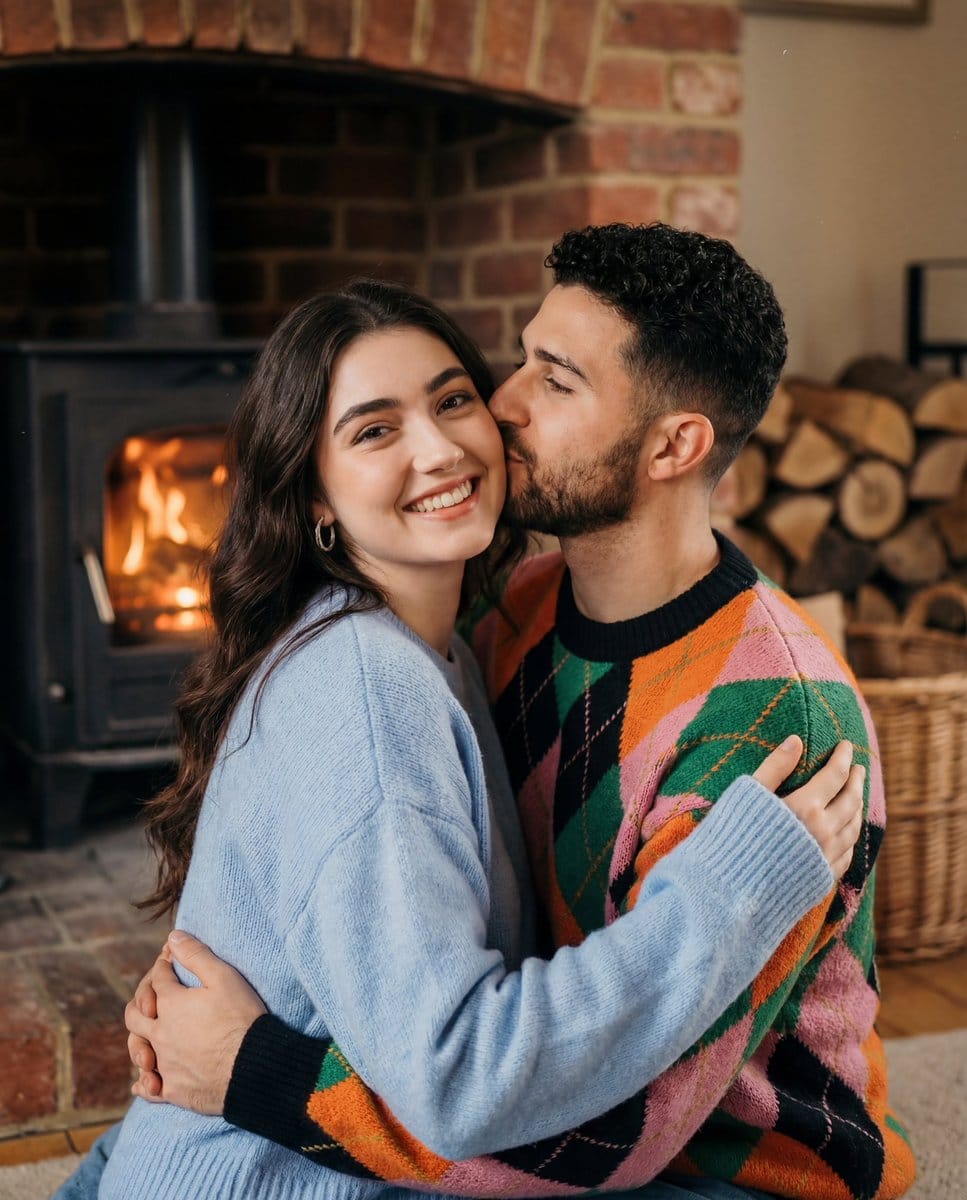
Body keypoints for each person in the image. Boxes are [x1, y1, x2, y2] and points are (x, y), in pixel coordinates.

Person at [121, 226, 916, 1200]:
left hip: (714, 1169)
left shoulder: (772, 734)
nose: (497, 406)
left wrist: (259, 1079)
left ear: (674, 444)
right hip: (533, 1107)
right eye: (519, 360)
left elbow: (607, 1139)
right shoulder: (508, 615)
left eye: (555, 379)